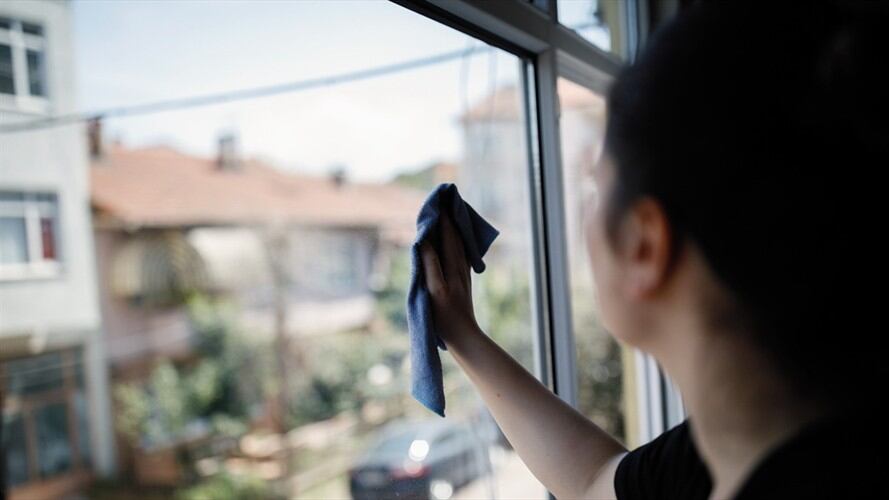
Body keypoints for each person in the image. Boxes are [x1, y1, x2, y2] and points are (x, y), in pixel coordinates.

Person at [419, 2, 888, 499]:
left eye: (597, 189)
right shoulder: (756, 437)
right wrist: (464, 335)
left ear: (645, 245)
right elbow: (595, 481)